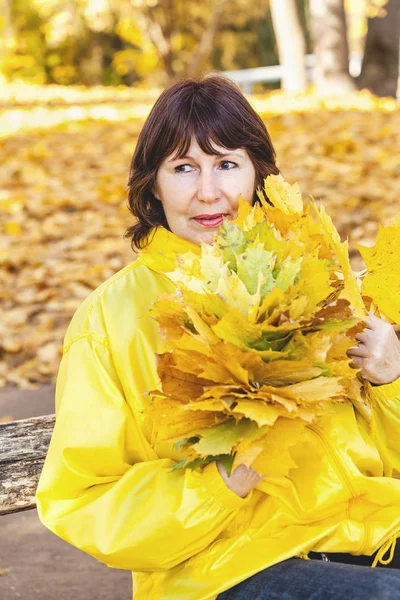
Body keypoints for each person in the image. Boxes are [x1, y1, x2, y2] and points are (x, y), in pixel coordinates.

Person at [35, 75, 400, 600]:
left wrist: (389, 384)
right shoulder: (112, 320)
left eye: (227, 164)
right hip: (225, 569)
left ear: (258, 174)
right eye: (184, 167)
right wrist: (220, 484)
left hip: (366, 533)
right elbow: (83, 498)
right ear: (153, 184)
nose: (209, 192)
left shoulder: (313, 279)